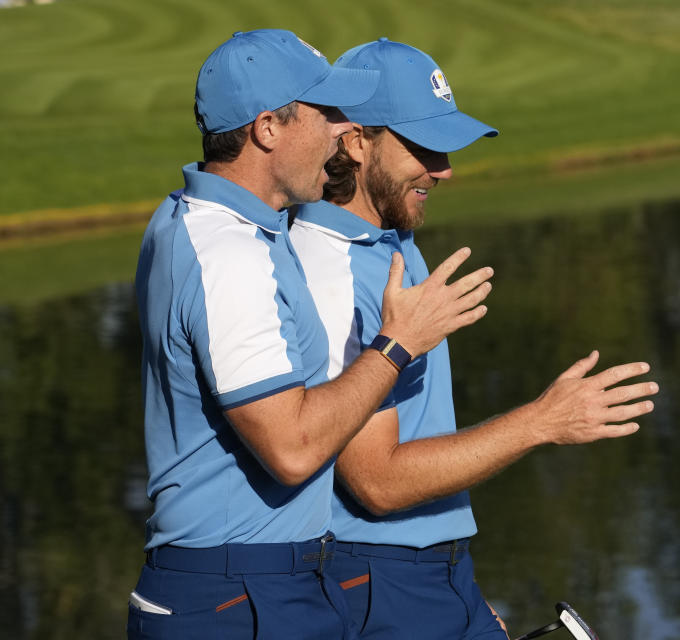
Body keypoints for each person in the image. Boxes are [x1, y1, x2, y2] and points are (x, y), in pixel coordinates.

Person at [289, 38, 659, 639]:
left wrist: (458, 592)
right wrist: (542, 421)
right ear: (355, 142)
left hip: (434, 574)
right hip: (377, 583)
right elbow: (376, 482)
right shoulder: (327, 268)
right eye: (423, 147)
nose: (443, 169)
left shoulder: (390, 242)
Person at [129, 30, 493, 640]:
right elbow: (293, 450)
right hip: (234, 595)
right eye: (323, 114)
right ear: (267, 128)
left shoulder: (209, 225)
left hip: (263, 584)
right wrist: (397, 346)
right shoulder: (228, 253)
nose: (337, 133)